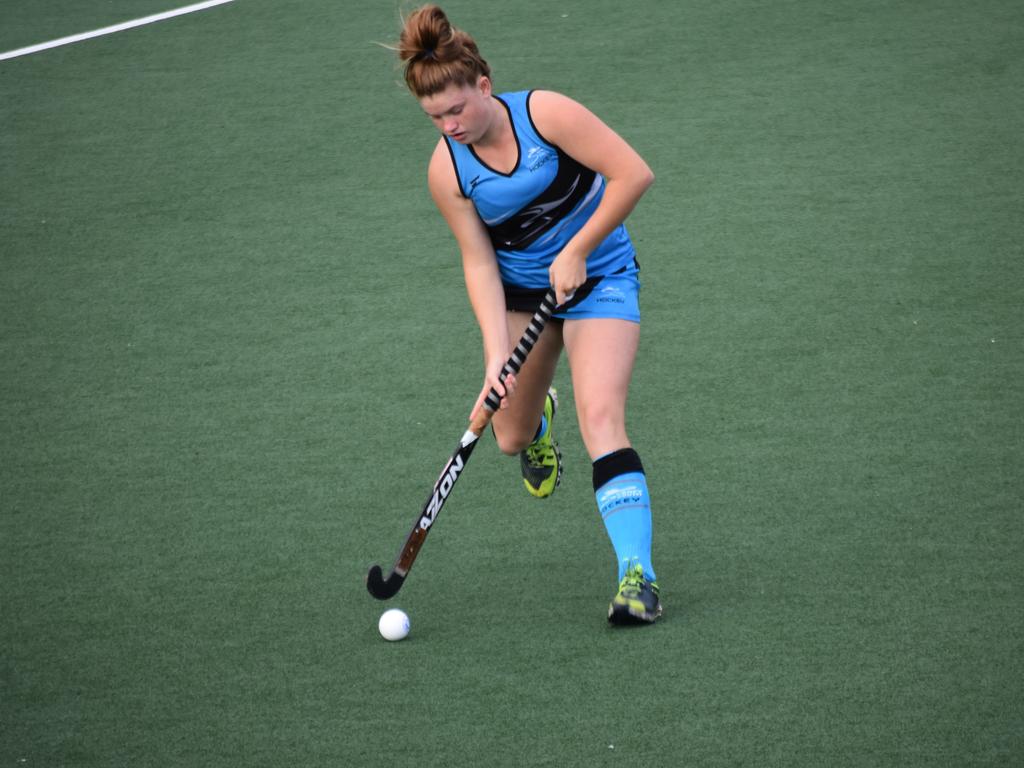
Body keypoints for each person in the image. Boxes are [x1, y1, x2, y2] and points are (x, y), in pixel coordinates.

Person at [395, 5, 661, 624]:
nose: (450, 125)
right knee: (508, 436)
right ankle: (536, 419)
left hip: (599, 277)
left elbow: (632, 173)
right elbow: (480, 263)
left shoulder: (546, 114)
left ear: (483, 86)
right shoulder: (447, 170)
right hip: (523, 298)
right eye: (434, 118)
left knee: (601, 419)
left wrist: (577, 249)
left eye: (456, 109)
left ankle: (636, 577)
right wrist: (495, 359)